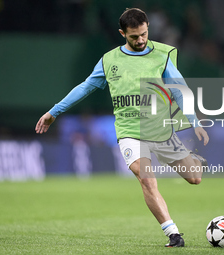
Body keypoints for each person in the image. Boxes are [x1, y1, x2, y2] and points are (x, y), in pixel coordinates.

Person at [35, 8, 209, 248]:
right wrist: (53, 112)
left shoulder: (162, 55)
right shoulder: (109, 61)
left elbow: (180, 90)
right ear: (122, 33)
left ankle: (193, 159)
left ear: (148, 28)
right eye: (134, 36)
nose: (140, 40)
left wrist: (195, 121)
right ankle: (173, 234)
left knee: (195, 178)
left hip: (160, 130)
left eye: (144, 34)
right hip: (130, 131)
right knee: (146, 177)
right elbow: (85, 87)